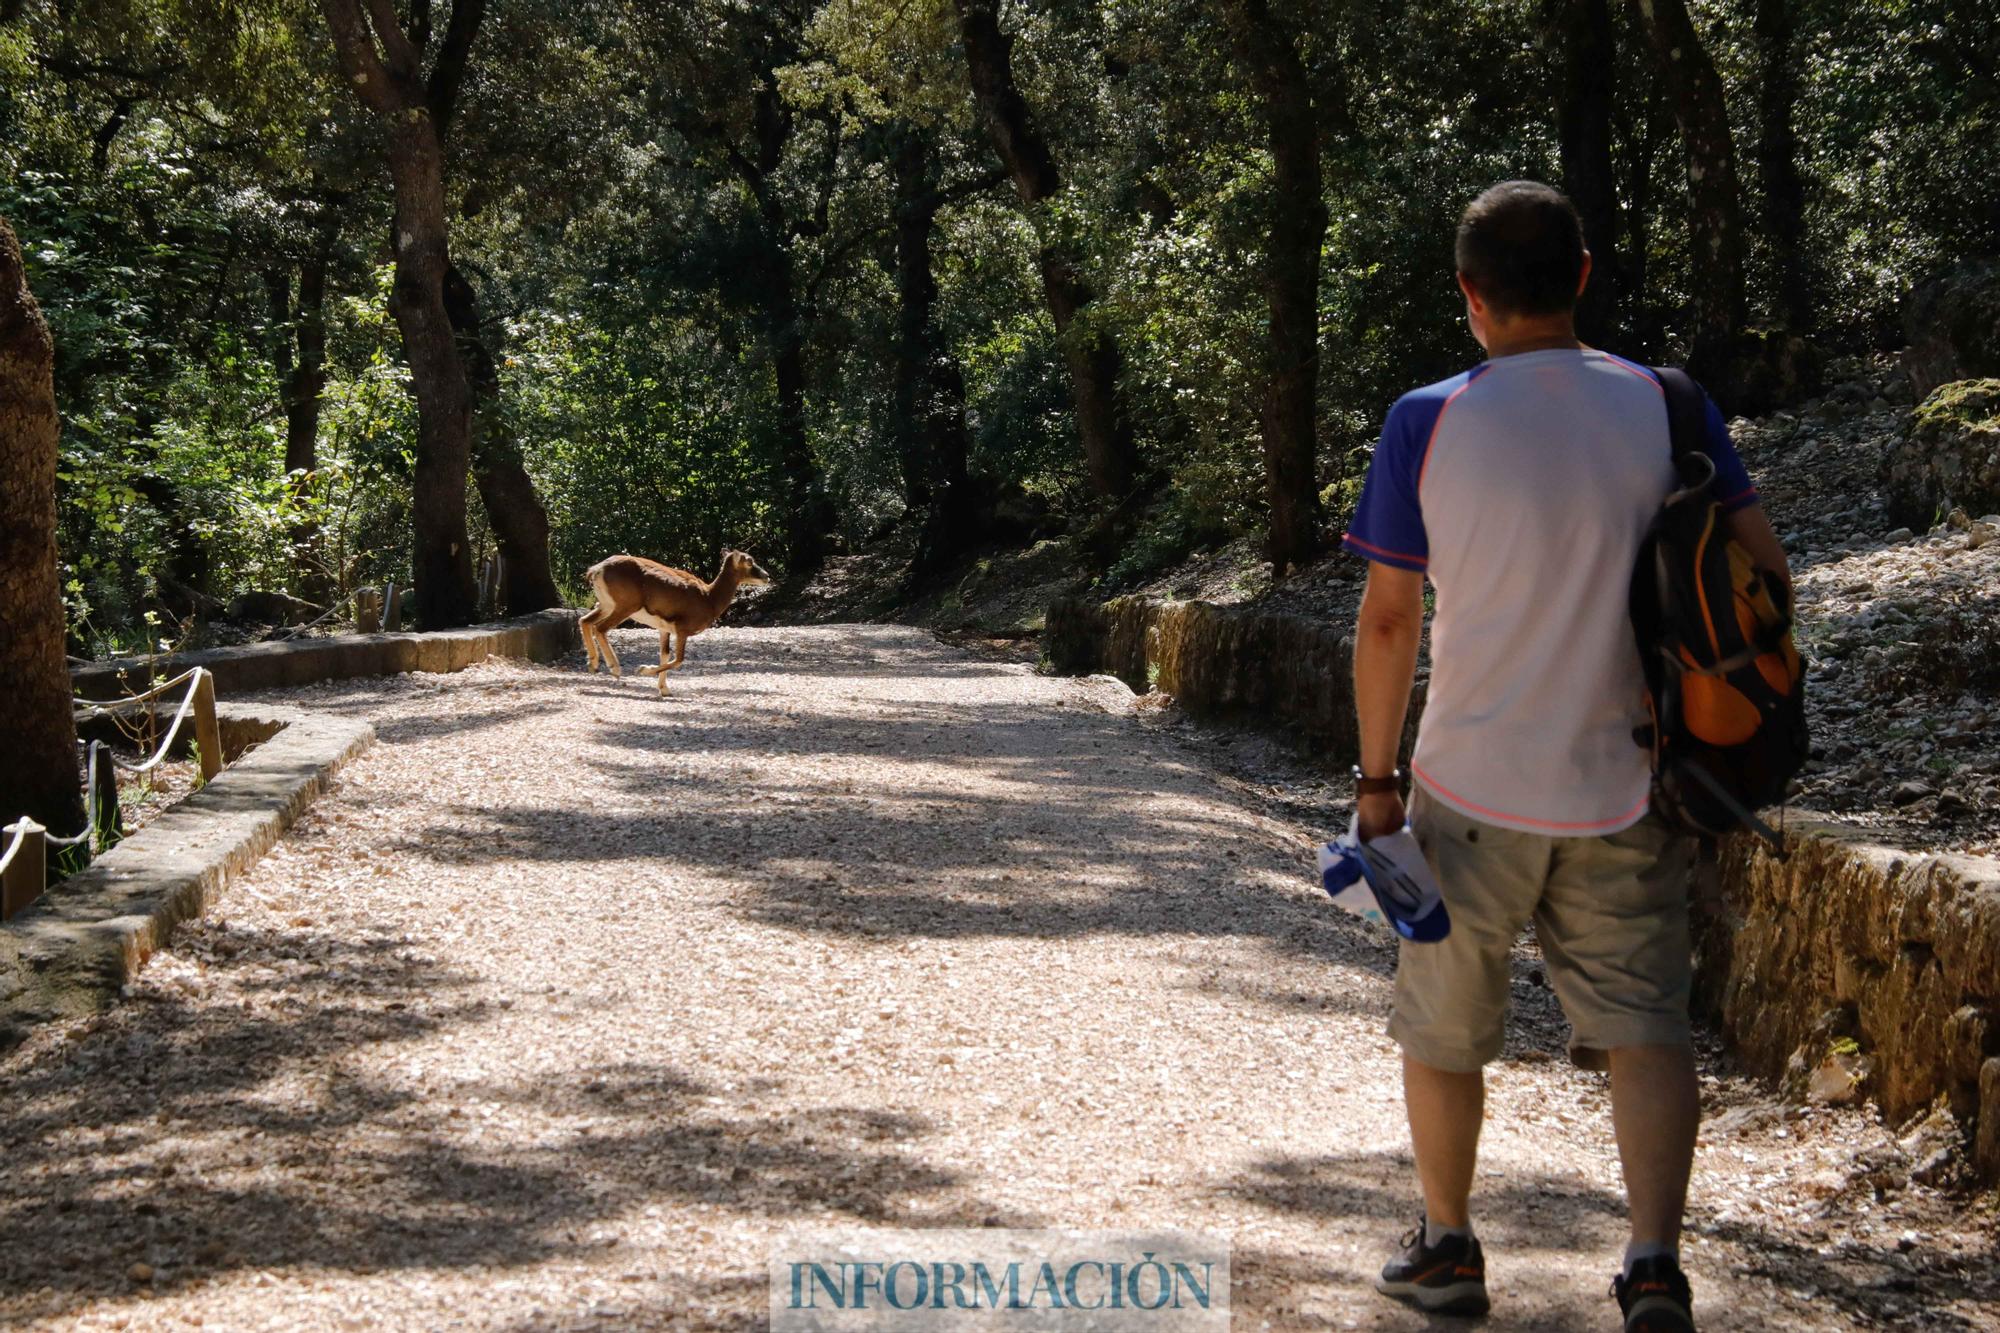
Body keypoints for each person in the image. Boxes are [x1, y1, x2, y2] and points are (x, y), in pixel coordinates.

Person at [1341, 180, 1791, 1333]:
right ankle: (1650, 1267)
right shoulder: (1667, 405)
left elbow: (1390, 617)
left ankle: (1447, 1247)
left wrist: (1376, 781)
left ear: (1468, 295)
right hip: (1630, 784)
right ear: (1582, 275)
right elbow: (1762, 576)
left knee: (1443, 1029)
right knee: (1644, 1027)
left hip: (1466, 787)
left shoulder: (1424, 420)